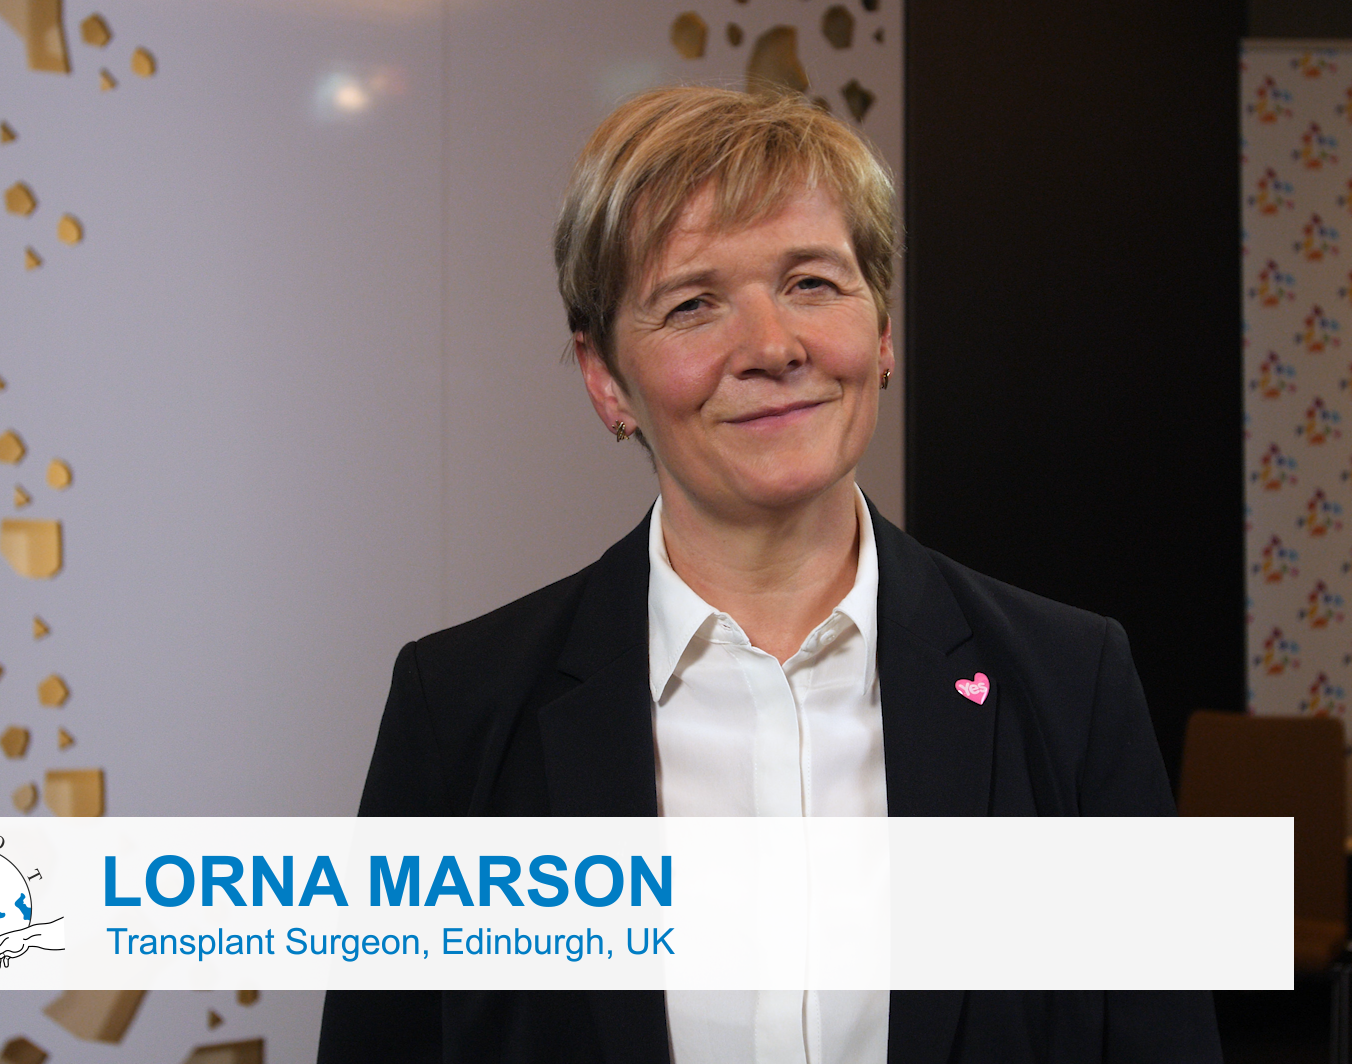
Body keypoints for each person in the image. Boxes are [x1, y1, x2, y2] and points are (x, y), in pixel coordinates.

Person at [318, 85, 1221, 1064]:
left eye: (812, 283)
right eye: (693, 304)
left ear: (882, 331)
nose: (772, 348)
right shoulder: (458, 711)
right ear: (605, 379)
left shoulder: (1072, 683)